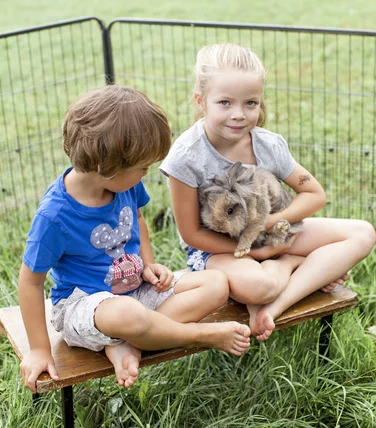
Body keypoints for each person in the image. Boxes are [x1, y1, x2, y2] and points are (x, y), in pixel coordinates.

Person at [18, 85, 251, 393]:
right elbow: (30, 282)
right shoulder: (54, 216)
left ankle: (132, 342)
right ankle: (200, 334)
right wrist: (39, 350)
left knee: (216, 283)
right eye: (142, 168)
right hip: (85, 306)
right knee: (127, 314)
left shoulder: (123, 185)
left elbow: (137, 219)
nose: (145, 174)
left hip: (135, 289)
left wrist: (149, 264)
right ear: (106, 167)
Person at [160, 43, 376, 341]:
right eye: (225, 103)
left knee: (362, 233)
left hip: (271, 231)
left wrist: (273, 225)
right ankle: (295, 265)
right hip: (217, 247)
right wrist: (257, 251)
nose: (239, 114)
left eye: (250, 103)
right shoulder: (186, 156)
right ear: (201, 100)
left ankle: (273, 307)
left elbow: (314, 194)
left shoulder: (269, 145)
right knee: (258, 286)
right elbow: (192, 234)